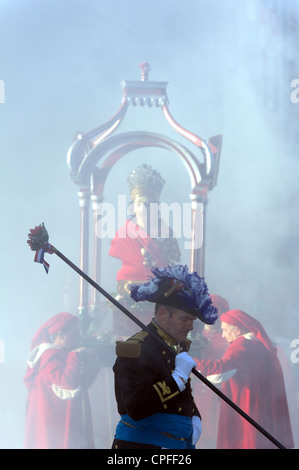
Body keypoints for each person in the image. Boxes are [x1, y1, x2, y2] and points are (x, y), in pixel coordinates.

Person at [111, 264, 218, 449]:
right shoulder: (136, 348)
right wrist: (176, 379)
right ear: (162, 314)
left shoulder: (175, 345)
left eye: (192, 321)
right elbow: (135, 408)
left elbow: (180, 400)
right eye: (184, 319)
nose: (190, 327)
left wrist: (194, 417)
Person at [194, 309, 294, 449]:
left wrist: (191, 362)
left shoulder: (242, 345)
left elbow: (221, 372)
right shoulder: (255, 343)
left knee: (247, 442)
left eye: (225, 330)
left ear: (236, 329)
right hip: (259, 405)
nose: (223, 335)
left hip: (248, 405)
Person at [109, 164, 181, 334]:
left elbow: (171, 263)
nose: (144, 209)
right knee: (130, 289)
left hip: (161, 286)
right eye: (139, 204)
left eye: (149, 204)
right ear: (133, 207)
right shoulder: (124, 233)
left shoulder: (166, 233)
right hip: (131, 283)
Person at [24, 312, 100, 449]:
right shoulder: (49, 356)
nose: (79, 336)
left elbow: (83, 383)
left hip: (65, 417)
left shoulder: (62, 352)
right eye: (75, 332)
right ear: (61, 334)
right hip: (54, 421)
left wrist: (90, 359)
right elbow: (68, 383)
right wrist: (74, 356)